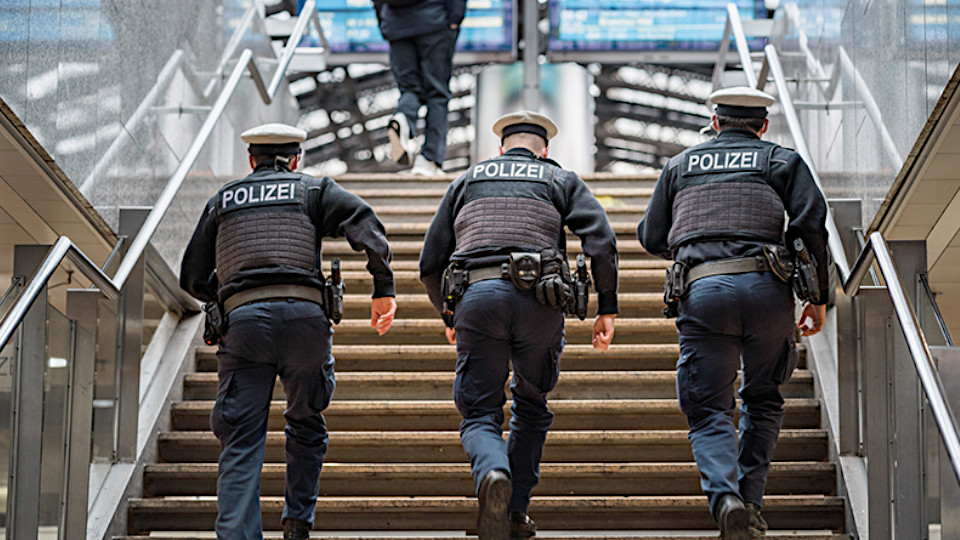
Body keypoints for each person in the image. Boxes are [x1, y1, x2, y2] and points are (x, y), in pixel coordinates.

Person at [179, 123, 398, 540]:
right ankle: (298, 523)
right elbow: (365, 222)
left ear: (251, 160)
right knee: (306, 419)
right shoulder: (313, 190)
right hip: (304, 323)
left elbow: (191, 276)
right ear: (296, 160)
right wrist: (381, 287)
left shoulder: (224, 200)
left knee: (241, 439)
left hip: (243, 326)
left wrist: (225, 295)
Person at [637, 87, 830, 539]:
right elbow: (809, 226)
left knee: (708, 409)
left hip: (703, 292)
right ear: (763, 127)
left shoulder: (680, 165)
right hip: (768, 292)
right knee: (762, 400)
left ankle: (724, 498)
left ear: (716, 123)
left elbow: (651, 236)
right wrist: (817, 298)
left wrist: (697, 243)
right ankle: (751, 505)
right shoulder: (782, 160)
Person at [419, 111, 619, 539]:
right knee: (530, 406)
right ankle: (514, 512)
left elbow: (430, 261)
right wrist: (608, 306)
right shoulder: (557, 179)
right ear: (544, 149)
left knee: (479, 413)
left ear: (501, 148)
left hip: (477, 298)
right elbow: (601, 239)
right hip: (540, 302)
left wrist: (448, 313)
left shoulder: (467, 181)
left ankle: (492, 472)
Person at [373, 0, 467, 176]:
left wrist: (384, 21)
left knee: (410, 88)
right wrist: (455, 18)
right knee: (437, 93)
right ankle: (429, 160)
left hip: (396, 25)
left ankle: (404, 118)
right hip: (434, 22)